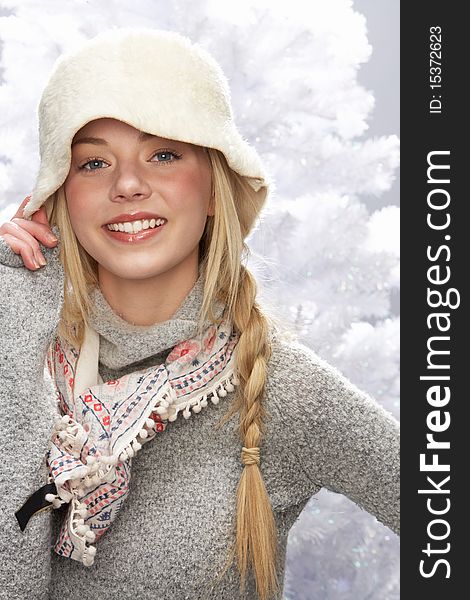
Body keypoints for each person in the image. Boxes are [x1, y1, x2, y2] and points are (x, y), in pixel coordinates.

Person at [0, 28, 400, 600]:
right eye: (93, 163)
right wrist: (8, 343)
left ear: (215, 185)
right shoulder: (19, 363)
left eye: (163, 154)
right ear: (60, 196)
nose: (129, 185)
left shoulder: (282, 388)